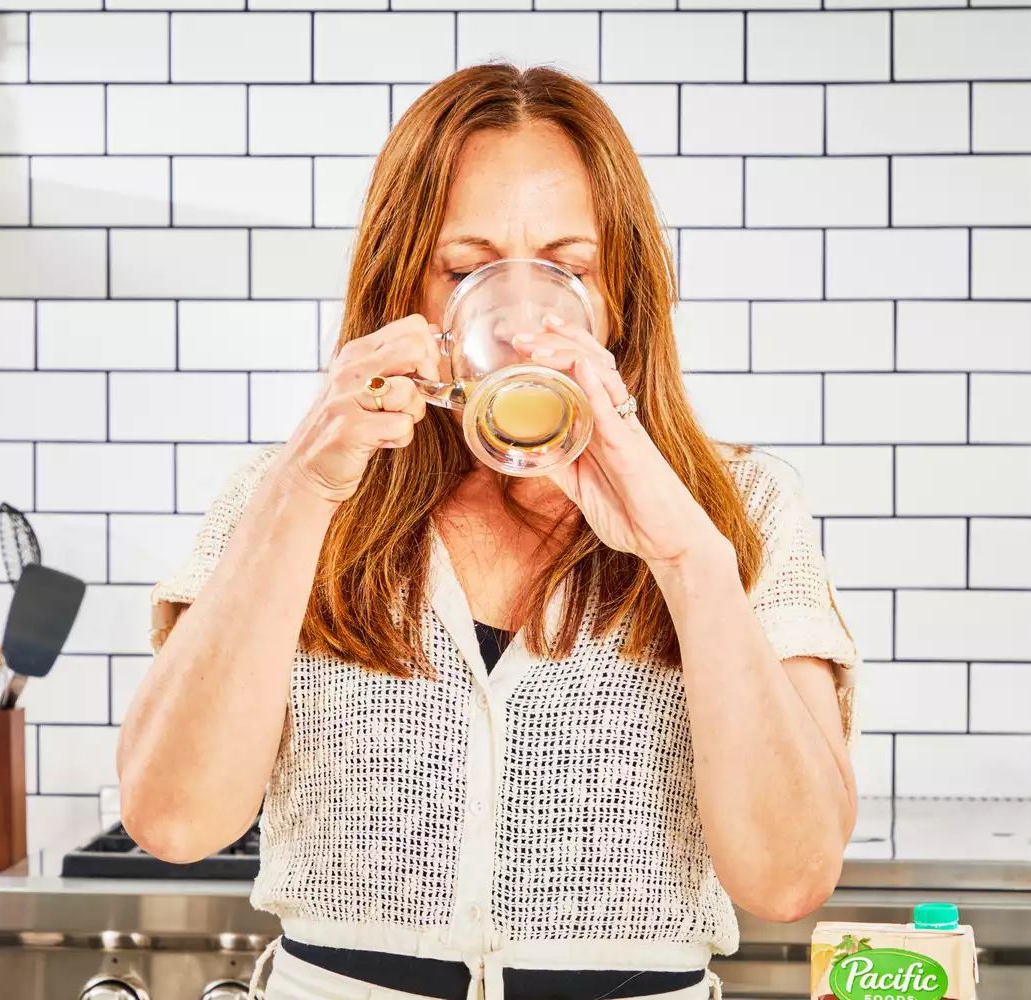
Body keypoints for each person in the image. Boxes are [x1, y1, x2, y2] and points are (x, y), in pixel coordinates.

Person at [119, 63, 861, 1000]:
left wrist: (686, 557)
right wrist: (300, 488)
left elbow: (789, 878)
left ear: (621, 291)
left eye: (568, 269)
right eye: (468, 271)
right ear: (409, 288)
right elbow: (175, 820)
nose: (518, 320)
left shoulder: (742, 510)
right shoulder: (292, 495)